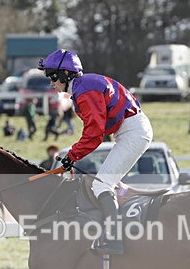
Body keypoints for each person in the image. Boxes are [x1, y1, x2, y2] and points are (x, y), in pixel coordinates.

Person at [39, 48, 153, 255]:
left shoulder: (85, 89)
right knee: (104, 183)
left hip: (132, 132)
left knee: (101, 185)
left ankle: (115, 240)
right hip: (130, 131)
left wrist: (72, 155)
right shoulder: (83, 87)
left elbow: (94, 133)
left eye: (52, 76)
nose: (51, 82)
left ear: (66, 73)